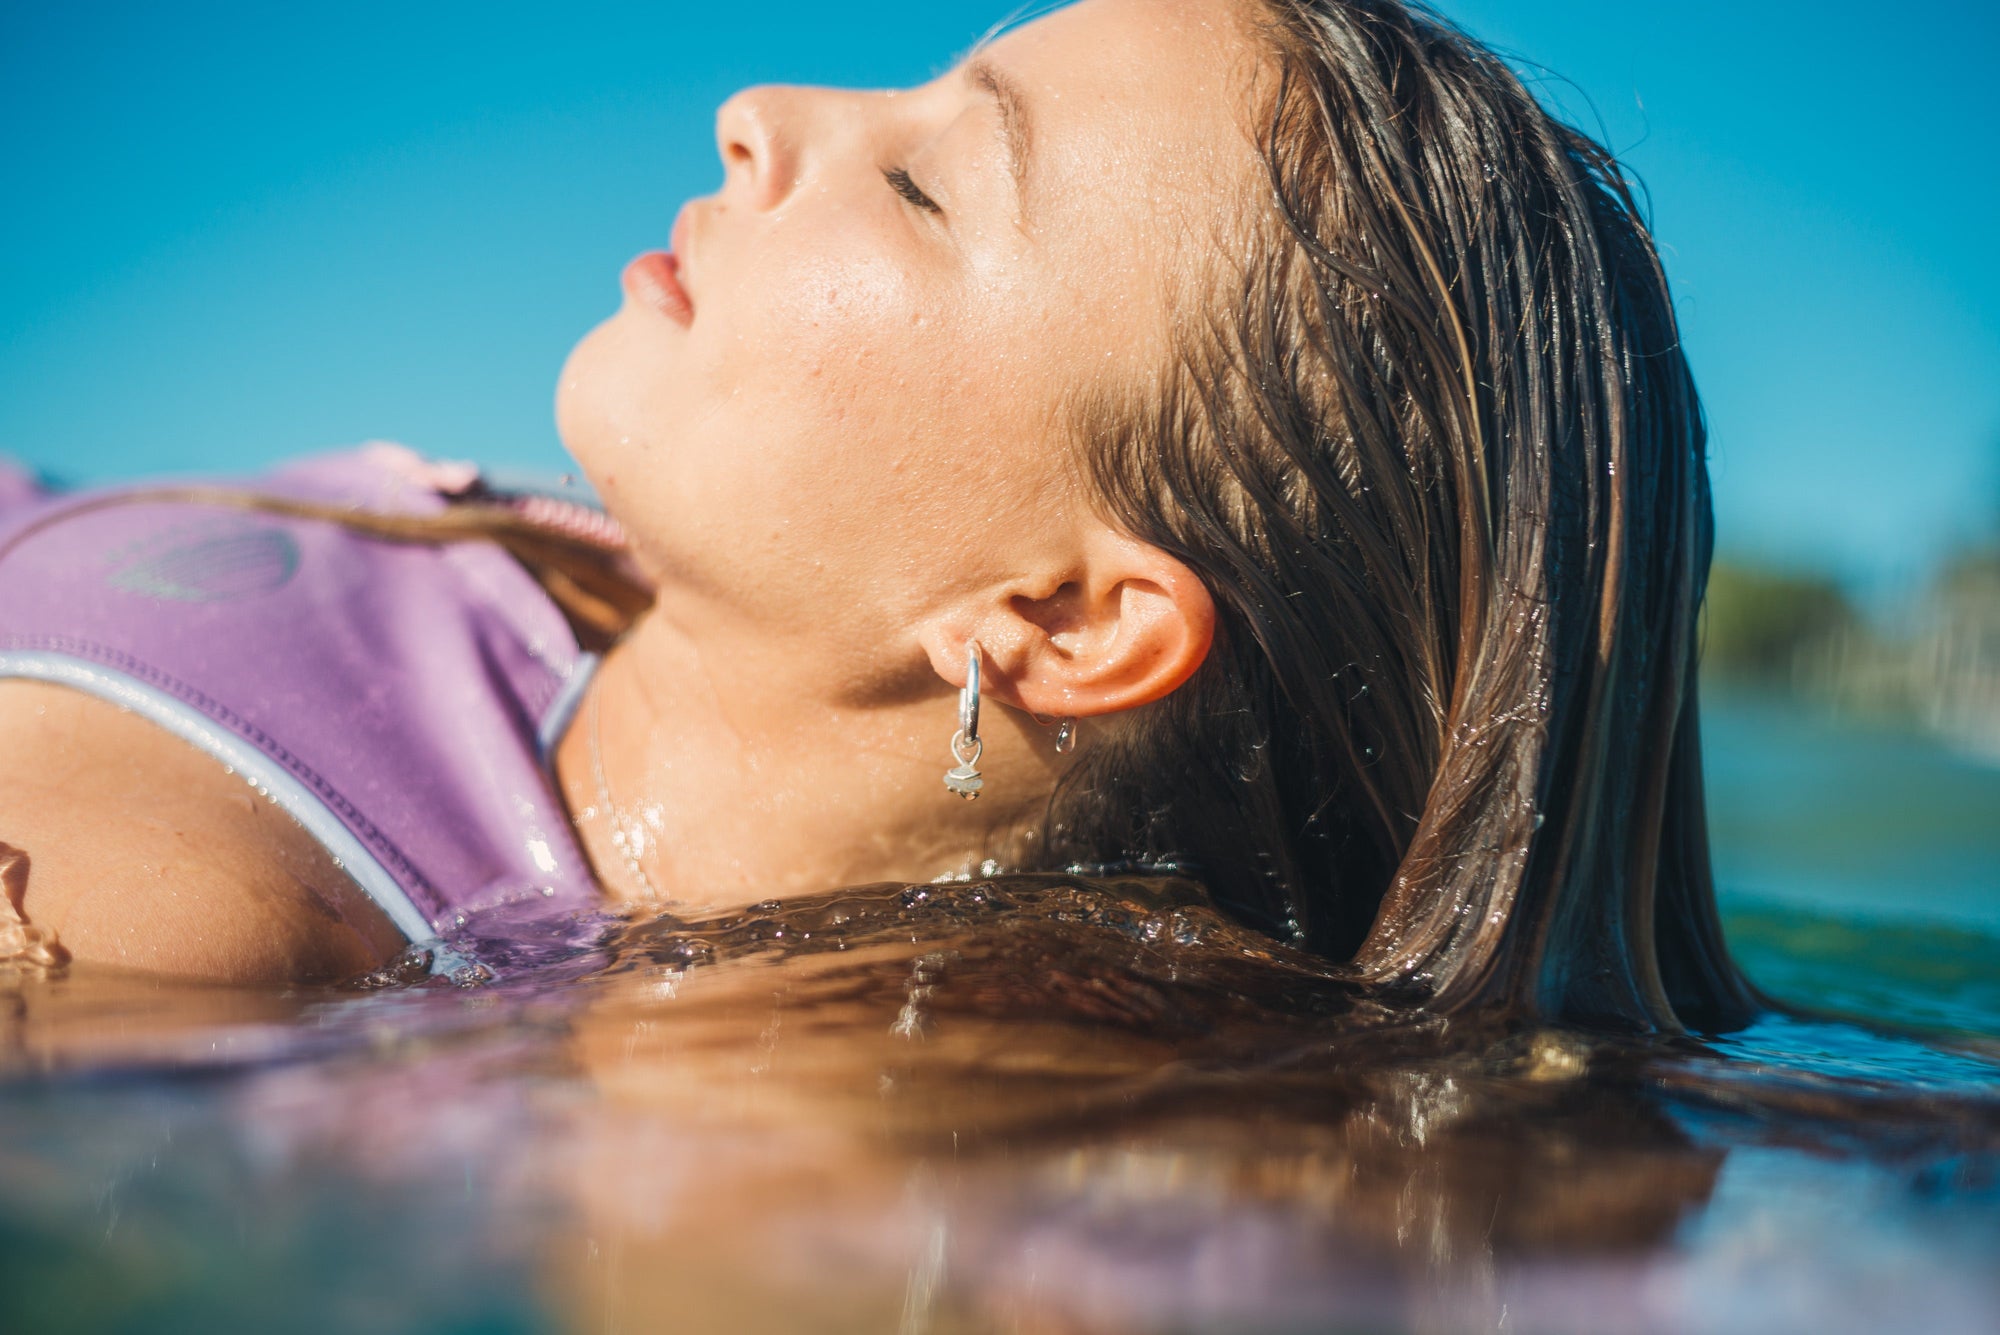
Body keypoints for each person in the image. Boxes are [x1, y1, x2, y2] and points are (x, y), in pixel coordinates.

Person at [0, 0, 1753, 1031]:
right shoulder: (588, 571)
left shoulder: (145, 939)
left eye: (924, 181)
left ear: (1064, 618)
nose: (761, 112)